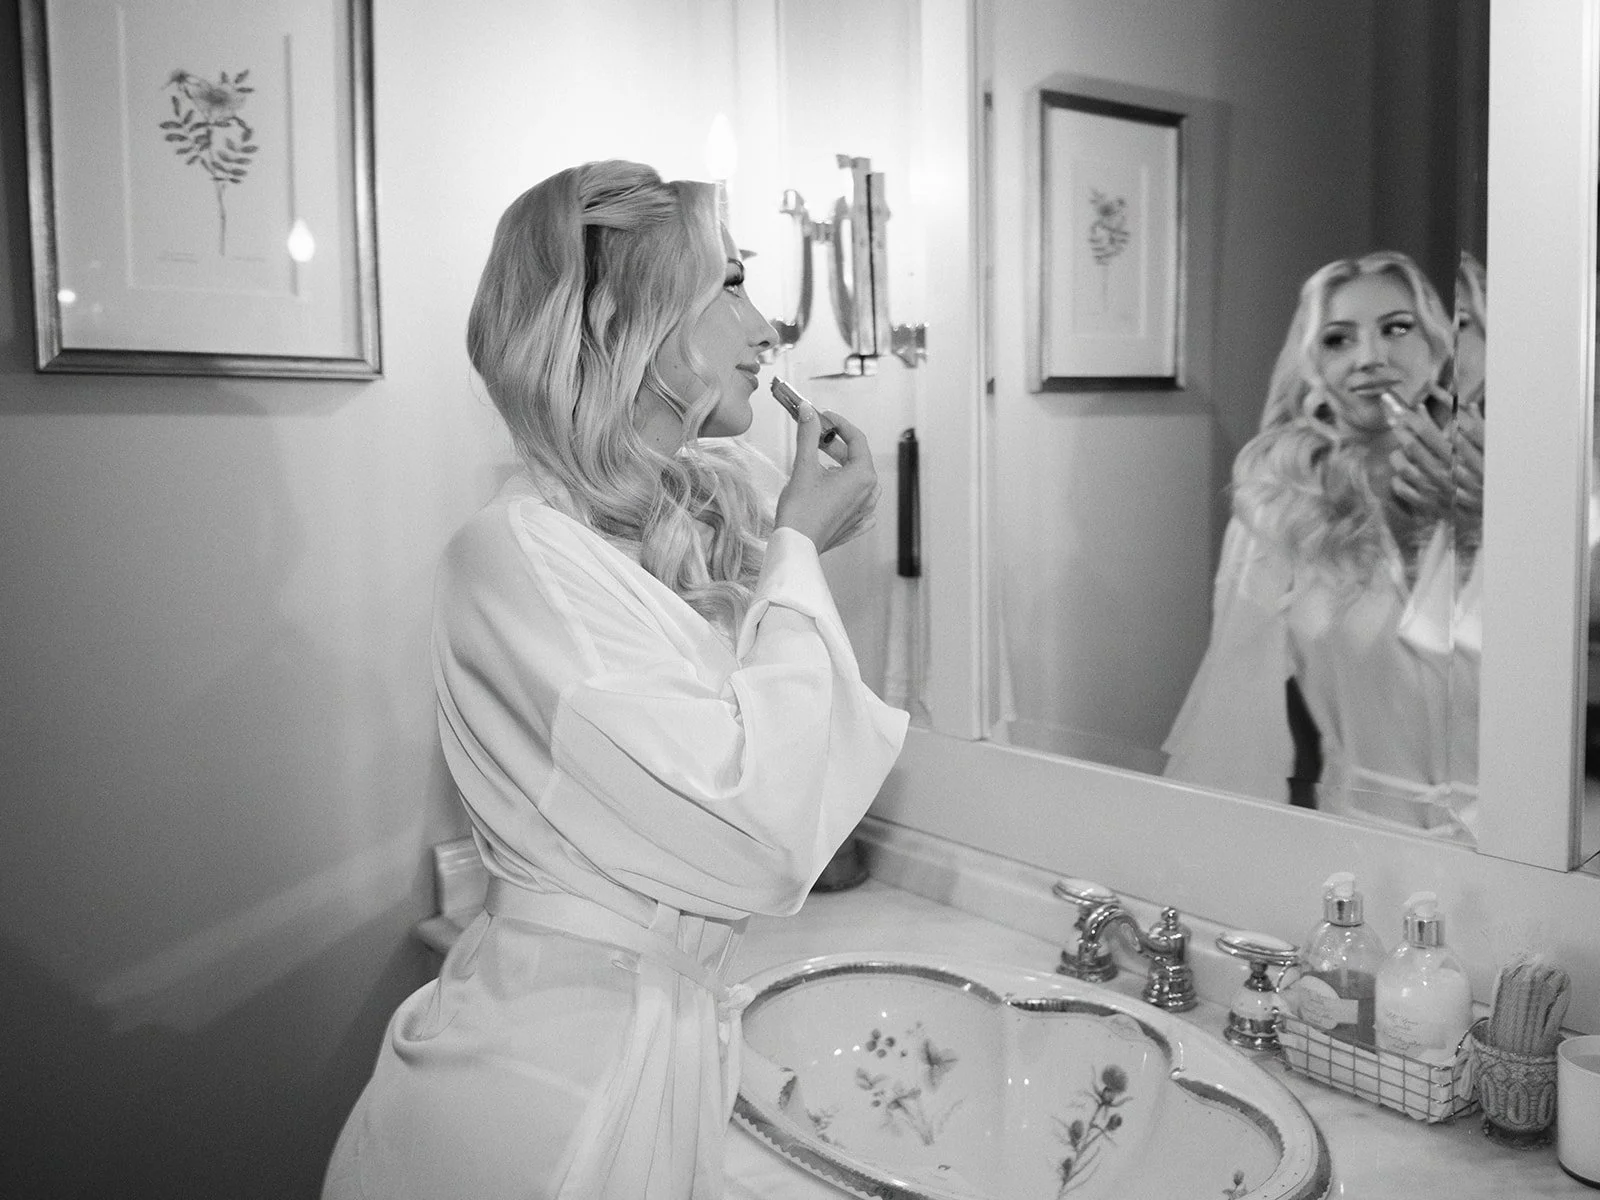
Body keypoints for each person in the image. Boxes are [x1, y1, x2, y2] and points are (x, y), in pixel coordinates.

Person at [322, 160, 908, 1199]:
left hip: (647, 1047)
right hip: (540, 1100)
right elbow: (757, 832)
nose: (769, 325)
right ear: (625, 319)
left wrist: (788, 549)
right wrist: (798, 555)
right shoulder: (509, 554)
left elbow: (771, 781)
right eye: (730, 282)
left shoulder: (649, 543)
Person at [1163, 250, 1479, 839]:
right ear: (1312, 367)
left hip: (1522, 848)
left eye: (1397, 328)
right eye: (1338, 340)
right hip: (1362, 847)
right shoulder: (1281, 508)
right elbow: (1238, 713)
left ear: (1438, 347)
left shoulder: (1506, 493)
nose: (1371, 358)